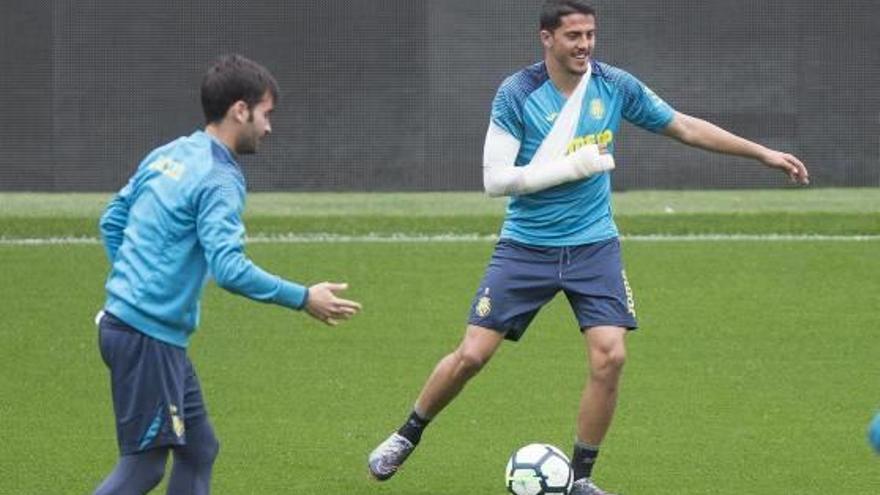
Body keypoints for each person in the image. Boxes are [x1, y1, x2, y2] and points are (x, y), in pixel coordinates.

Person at [367, 2, 809, 494]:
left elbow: (683, 125)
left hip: (594, 247)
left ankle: (580, 478)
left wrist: (762, 153)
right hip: (526, 248)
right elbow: (497, 181)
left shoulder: (614, 85)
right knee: (472, 355)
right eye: (573, 35)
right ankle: (408, 434)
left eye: (590, 35)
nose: (584, 45)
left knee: (610, 357)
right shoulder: (517, 93)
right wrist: (573, 166)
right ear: (546, 39)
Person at [93, 54, 362, 495]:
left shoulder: (169, 153)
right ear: (241, 110)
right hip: (147, 338)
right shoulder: (220, 178)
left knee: (199, 448)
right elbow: (230, 269)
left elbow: (112, 220)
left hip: (145, 333)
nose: (269, 127)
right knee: (142, 469)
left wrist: (129, 287)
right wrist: (303, 297)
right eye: (266, 113)